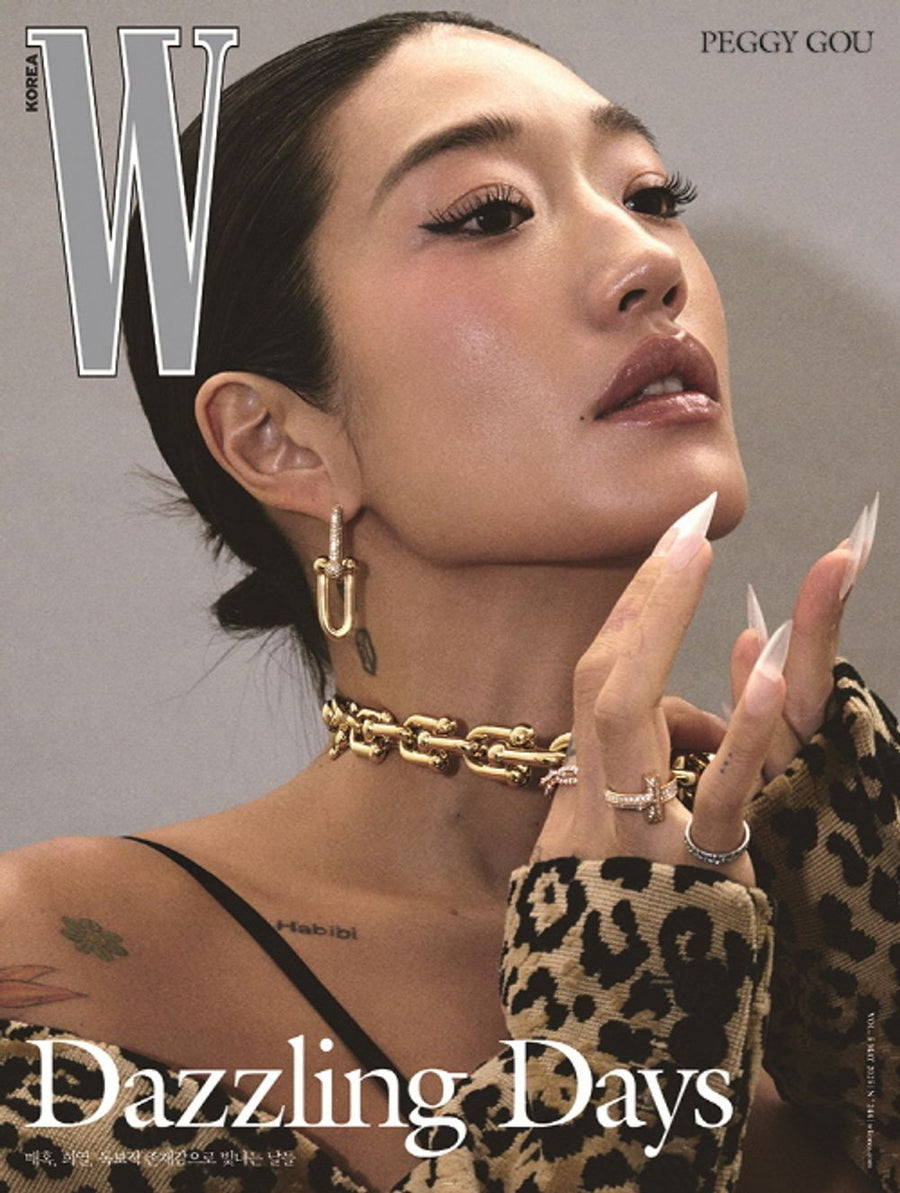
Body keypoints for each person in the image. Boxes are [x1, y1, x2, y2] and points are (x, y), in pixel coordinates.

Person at [1, 10, 897, 1193]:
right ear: (276, 439)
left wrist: (867, 984)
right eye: (488, 213)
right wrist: (624, 1005)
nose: (650, 260)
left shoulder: (837, 906)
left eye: (652, 193)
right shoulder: (58, 961)